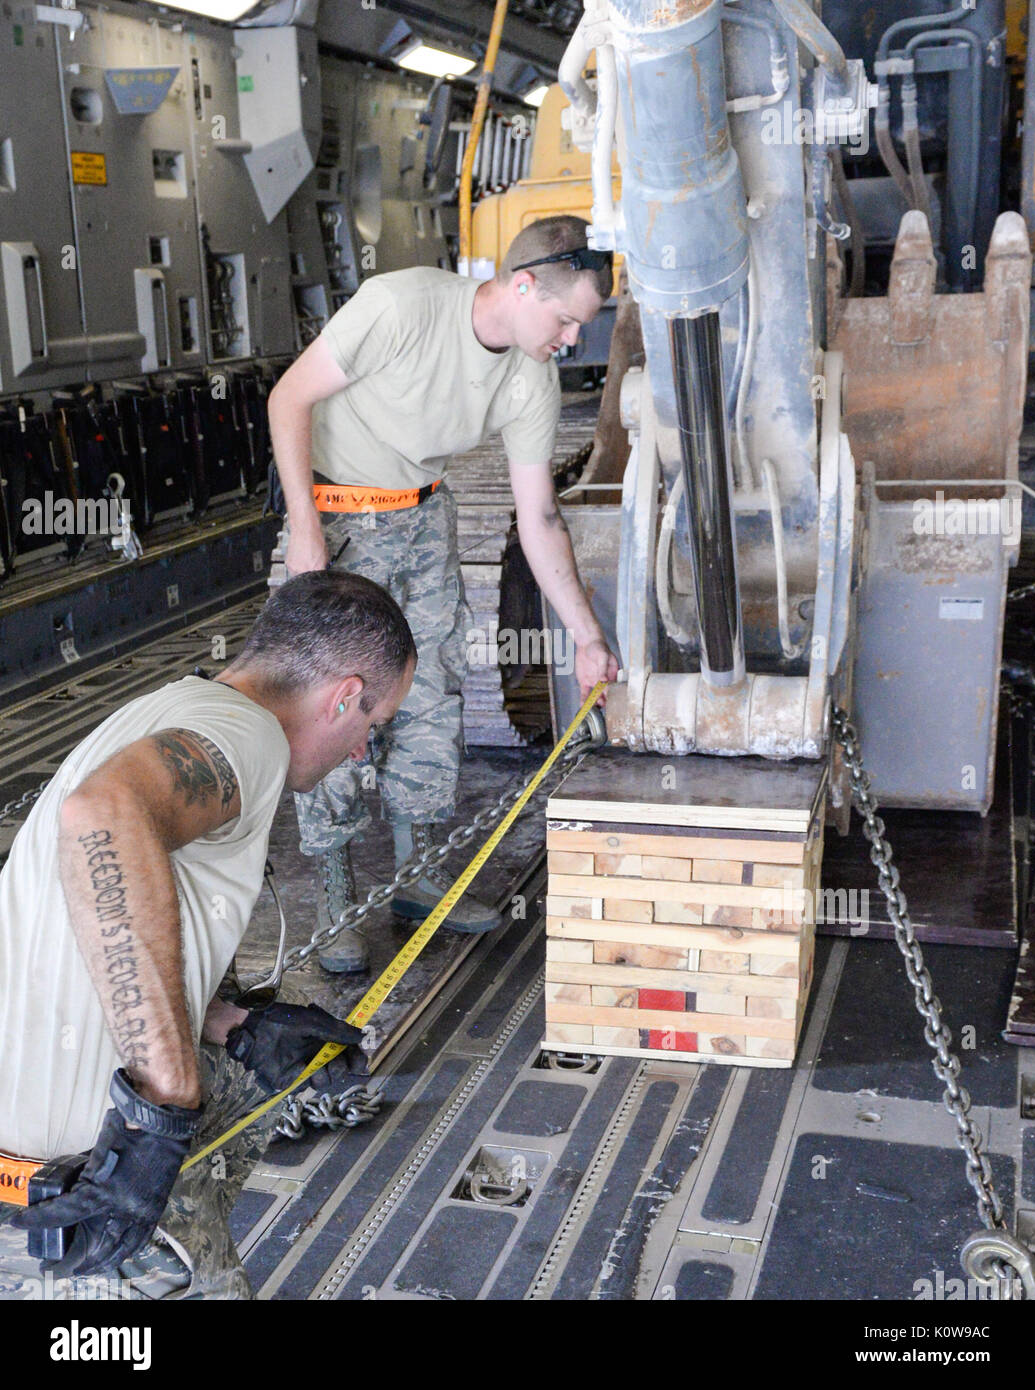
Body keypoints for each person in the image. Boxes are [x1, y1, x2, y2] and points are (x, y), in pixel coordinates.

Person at [0, 570, 416, 1300]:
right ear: (344, 695)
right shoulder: (249, 737)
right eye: (371, 727)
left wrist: (231, 1023)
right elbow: (101, 816)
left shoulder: (172, 705)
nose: (360, 753)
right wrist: (166, 1102)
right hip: (85, 1200)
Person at [268, 214, 620, 974]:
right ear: (522, 286)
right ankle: (336, 896)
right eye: (566, 321)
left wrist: (586, 635)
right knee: (324, 704)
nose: (571, 341)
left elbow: (540, 519)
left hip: (424, 518)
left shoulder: (530, 381)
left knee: (430, 695)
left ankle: (416, 878)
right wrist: (304, 528)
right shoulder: (401, 306)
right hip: (336, 519)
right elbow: (287, 400)